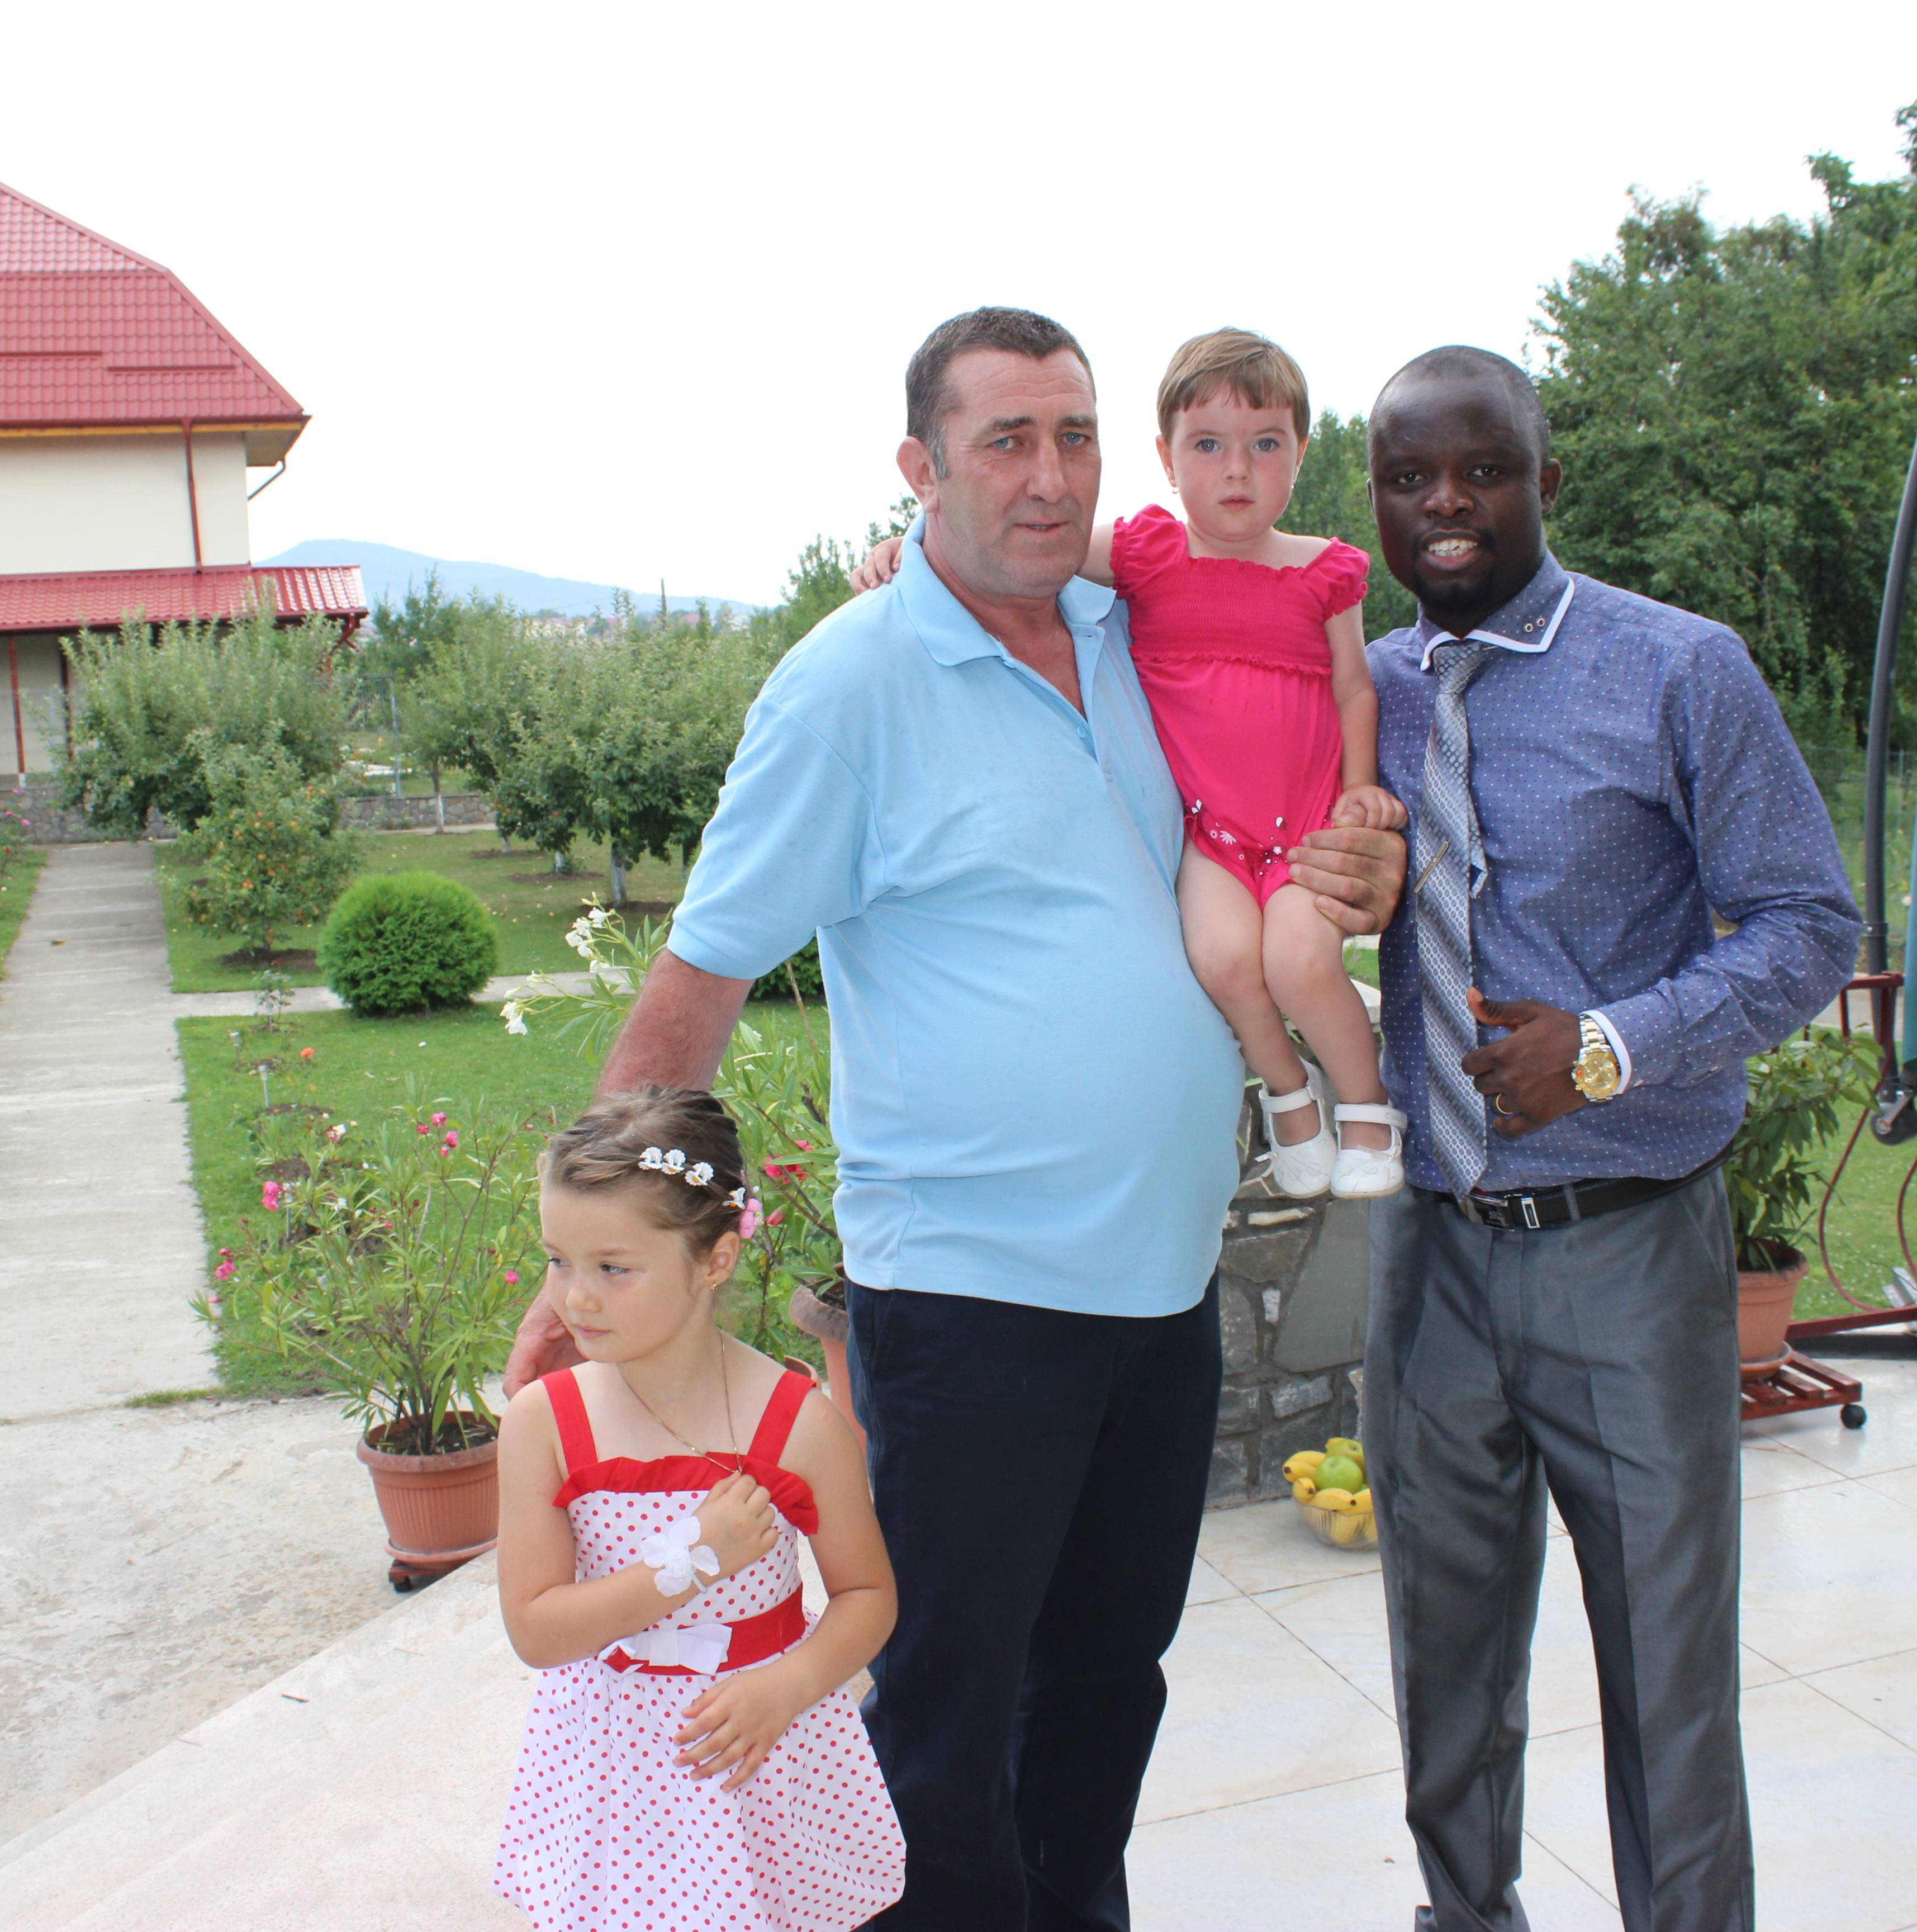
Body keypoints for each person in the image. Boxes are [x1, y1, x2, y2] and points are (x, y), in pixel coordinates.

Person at [503, 306, 1405, 1930]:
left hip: (1161, 1289)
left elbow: (1291, 760)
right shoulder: (850, 684)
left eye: (1075, 436)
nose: (1049, 476)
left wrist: (1358, 848)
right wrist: (598, 1257)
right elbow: (699, 982)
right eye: (1006, 442)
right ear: (920, 469)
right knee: (948, 1707)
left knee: (1109, 1684)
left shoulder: (1135, 630)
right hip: (973, 1300)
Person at [1359, 347, 1859, 1932]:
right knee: (1443, 1660)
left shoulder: (1677, 667)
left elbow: (1808, 924)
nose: (1446, 504)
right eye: (1410, 477)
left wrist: (1605, 1047)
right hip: (1430, 1251)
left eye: (1482, 469)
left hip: (1627, 1248)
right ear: (1375, 499)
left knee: (1666, 1669)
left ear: (1545, 481)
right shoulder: (1360, 690)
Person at [852, 326, 1408, 1197]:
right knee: (1223, 959)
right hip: (1211, 833)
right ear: (1165, 458)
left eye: (1266, 445)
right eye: (1208, 446)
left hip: (1304, 824)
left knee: (1301, 961)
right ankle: (1290, 1094)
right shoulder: (1149, 553)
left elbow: (1353, 688)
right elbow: (1023, 535)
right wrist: (914, 539)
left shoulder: (1325, 573)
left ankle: (1369, 1110)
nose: (1236, 471)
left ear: (1301, 453)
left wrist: (1362, 786)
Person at [494, 1086, 904, 1931]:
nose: (576, 1298)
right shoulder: (547, 1424)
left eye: (613, 1267)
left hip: (762, 1750)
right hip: (610, 1762)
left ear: (715, 1260)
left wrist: (789, 1685)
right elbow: (536, 1631)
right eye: (558, 1260)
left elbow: (868, 1596)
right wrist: (691, 1560)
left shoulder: (797, 1424)